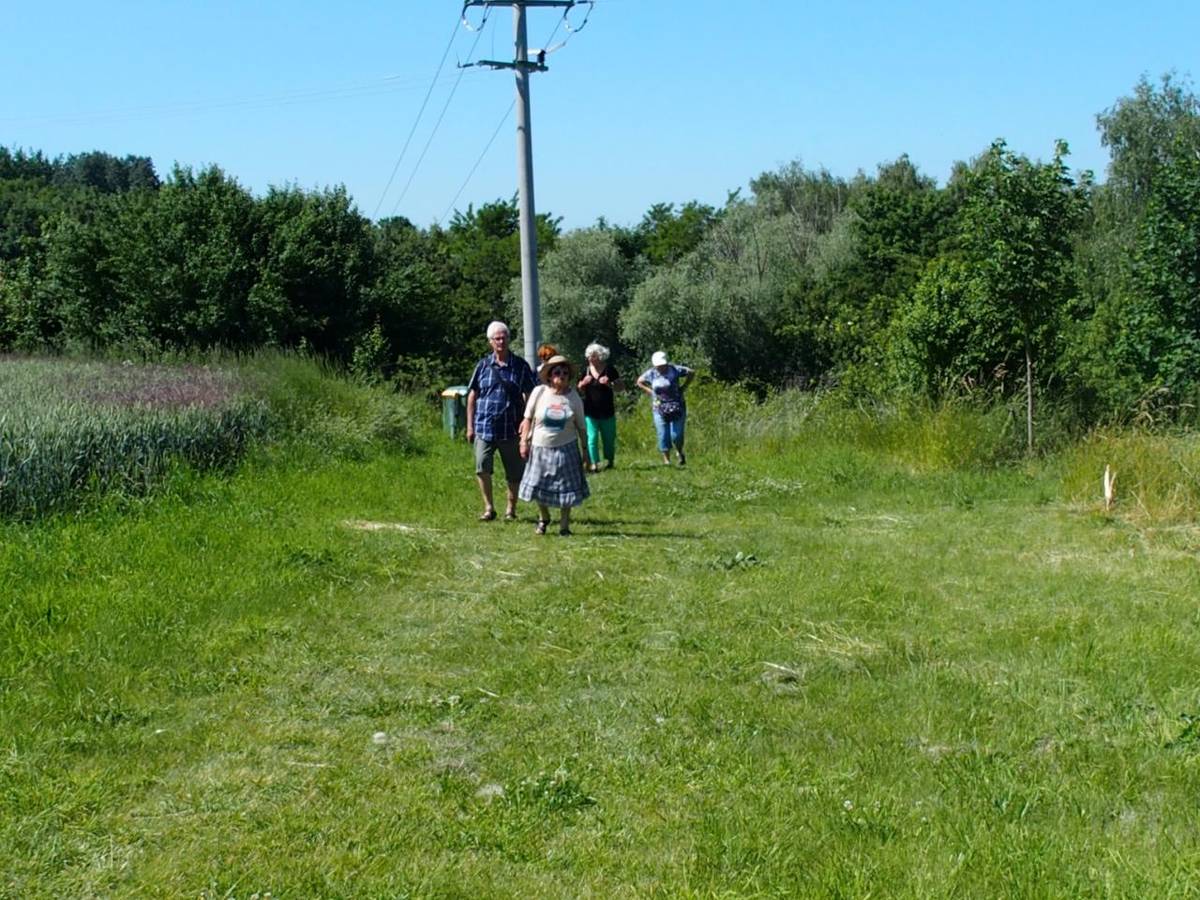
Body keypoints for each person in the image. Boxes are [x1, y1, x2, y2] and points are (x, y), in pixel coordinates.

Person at [466, 321, 537, 521]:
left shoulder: (520, 365)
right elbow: (472, 395)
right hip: (484, 426)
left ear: (509, 339)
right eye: (497, 338)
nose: (501, 341)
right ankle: (489, 508)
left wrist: (527, 421)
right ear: (490, 342)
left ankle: (510, 510)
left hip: (512, 428)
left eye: (504, 337)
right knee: (482, 467)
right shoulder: (482, 365)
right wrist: (470, 426)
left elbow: (531, 394)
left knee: (514, 473)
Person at [518, 354, 590, 535]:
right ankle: (544, 517)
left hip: (567, 448)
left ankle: (564, 526)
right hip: (540, 447)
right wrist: (523, 442)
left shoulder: (574, 398)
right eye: (557, 372)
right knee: (537, 486)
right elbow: (527, 419)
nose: (562, 375)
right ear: (549, 375)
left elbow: (582, 427)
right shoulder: (539, 392)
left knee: (566, 488)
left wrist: (585, 451)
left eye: (565, 372)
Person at [636, 350, 694, 466]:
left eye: (663, 365)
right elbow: (639, 382)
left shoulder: (675, 370)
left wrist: (684, 387)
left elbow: (691, 372)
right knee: (663, 434)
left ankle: (679, 451)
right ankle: (667, 461)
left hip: (677, 406)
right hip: (659, 408)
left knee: (677, 435)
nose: (661, 367)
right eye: (659, 365)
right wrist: (651, 392)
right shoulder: (651, 373)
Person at [577, 342, 621, 472]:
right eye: (589, 356)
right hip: (590, 412)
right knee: (592, 438)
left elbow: (621, 387)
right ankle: (594, 464)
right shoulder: (584, 371)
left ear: (601, 356)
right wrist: (582, 384)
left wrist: (610, 384)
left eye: (594, 356)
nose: (590, 358)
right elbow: (578, 390)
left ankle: (610, 461)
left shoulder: (610, 370)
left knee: (608, 439)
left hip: (607, 411)